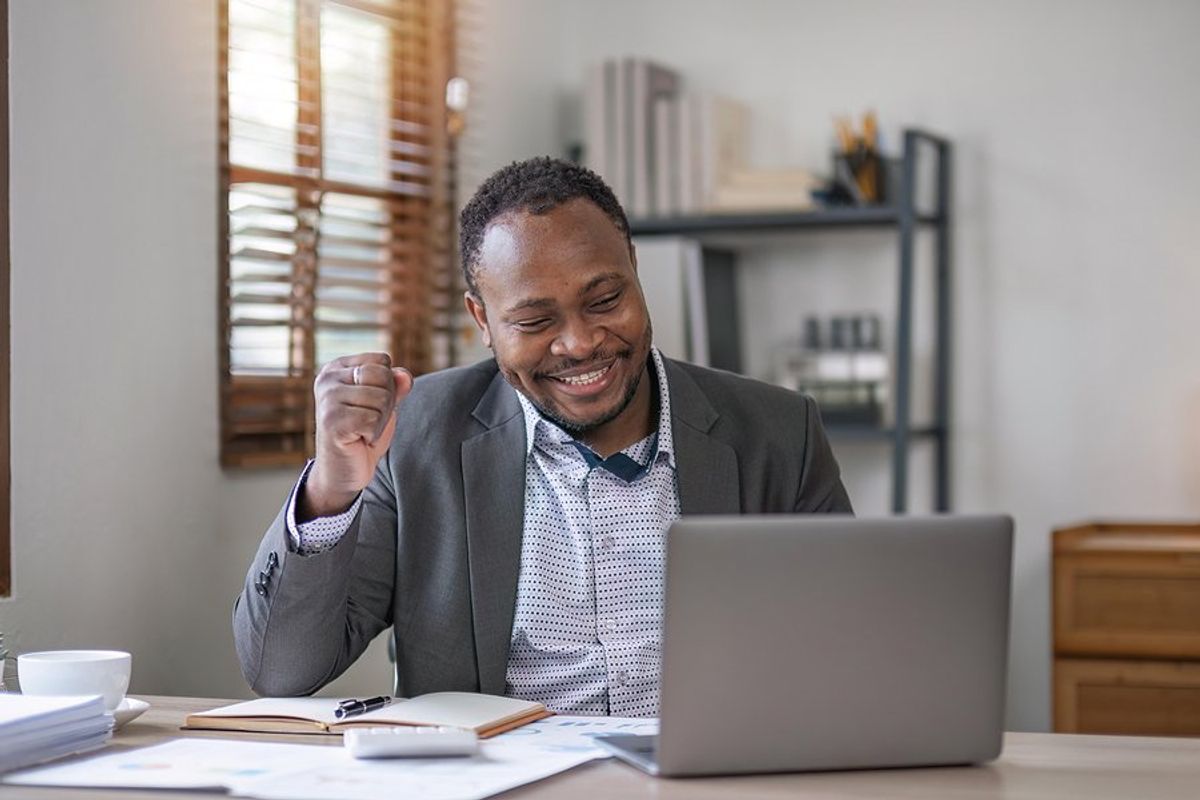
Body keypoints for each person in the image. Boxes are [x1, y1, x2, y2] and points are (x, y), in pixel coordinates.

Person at [234, 157, 852, 717]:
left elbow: (851, 654)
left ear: (635, 271)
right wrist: (331, 488)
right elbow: (281, 671)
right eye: (534, 320)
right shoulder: (418, 436)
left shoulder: (779, 434)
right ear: (482, 319)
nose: (580, 343)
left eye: (605, 298)